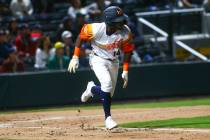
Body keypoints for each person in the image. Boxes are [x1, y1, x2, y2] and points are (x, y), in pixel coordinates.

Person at [68, 6, 134, 130]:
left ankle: (92, 89)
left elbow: (128, 50)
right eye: (118, 20)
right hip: (97, 59)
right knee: (107, 85)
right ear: (110, 21)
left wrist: (125, 70)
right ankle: (108, 119)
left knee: (108, 93)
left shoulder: (125, 32)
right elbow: (80, 37)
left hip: (114, 62)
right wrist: (75, 57)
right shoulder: (96, 28)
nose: (122, 23)